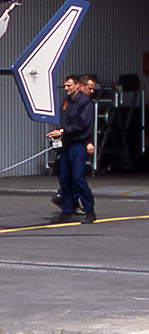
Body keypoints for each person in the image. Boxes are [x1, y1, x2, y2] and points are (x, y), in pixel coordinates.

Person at [46, 75, 97, 223]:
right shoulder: (67, 101)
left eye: (69, 85)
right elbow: (64, 121)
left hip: (77, 145)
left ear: (78, 85)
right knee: (64, 178)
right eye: (65, 86)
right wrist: (59, 134)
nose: (66, 88)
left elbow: (83, 125)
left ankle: (89, 210)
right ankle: (67, 210)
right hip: (66, 145)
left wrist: (62, 132)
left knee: (78, 177)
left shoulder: (85, 103)